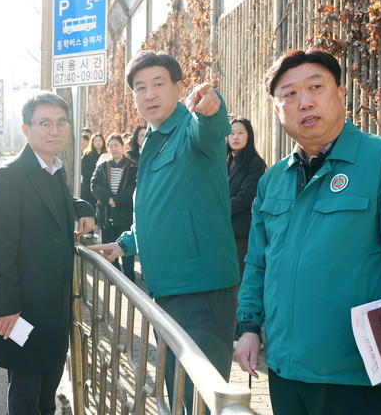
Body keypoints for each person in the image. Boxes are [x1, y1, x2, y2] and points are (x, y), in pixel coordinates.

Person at [235, 49, 381, 415]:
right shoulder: (272, 181)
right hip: (285, 370)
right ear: (277, 109)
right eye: (290, 94)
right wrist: (249, 326)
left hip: (357, 375)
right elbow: (258, 263)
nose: (304, 102)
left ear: (341, 94)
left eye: (315, 87)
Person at [89, 50, 239, 413]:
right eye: (140, 88)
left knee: (198, 399)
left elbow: (211, 127)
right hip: (168, 289)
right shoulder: (155, 140)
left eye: (158, 83)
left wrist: (211, 107)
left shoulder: (189, 129)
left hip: (199, 289)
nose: (149, 94)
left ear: (179, 88)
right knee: (179, 390)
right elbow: (159, 210)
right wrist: (125, 244)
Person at [0, 92, 95, 415]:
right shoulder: (9, 176)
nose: (55, 130)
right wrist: (6, 306)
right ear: (26, 128)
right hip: (23, 306)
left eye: (61, 123)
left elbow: (58, 201)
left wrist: (84, 207)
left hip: (55, 305)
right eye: (45, 123)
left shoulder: (54, 168)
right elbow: (0, 248)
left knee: (47, 393)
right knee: (25, 394)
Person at [90, 133, 138, 282]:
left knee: (126, 250)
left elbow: (134, 187)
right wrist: (108, 199)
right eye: (111, 146)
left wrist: (117, 200)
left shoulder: (133, 167)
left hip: (124, 214)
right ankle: (113, 279)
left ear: (123, 147)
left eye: (116, 145)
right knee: (109, 249)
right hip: (106, 214)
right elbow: (94, 184)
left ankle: (129, 279)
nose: (114, 148)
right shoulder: (103, 166)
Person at [226, 117, 266, 280]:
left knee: (239, 280)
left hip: (242, 234)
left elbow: (246, 197)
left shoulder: (255, 164)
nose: (235, 137)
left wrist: (217, 210)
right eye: (231, 133)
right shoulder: (225, 162)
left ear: (249, 136)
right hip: (223, 231)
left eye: (240, 133)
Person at [80, 132, 106, 210]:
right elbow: (83, 169)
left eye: (100, 140)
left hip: (102, 186)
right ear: (92, 142)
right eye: (96, 141)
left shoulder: (106, 155)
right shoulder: (87, 155)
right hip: (88, 185)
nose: (98, 143)